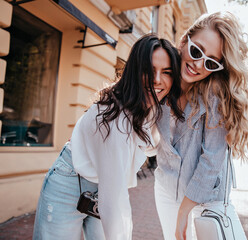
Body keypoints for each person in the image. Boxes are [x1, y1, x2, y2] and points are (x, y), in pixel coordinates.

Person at [32, 34, 182, 240]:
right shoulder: (115, 118)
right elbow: (115, 200)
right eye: (149, 70)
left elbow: (149, 147)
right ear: (135, 70)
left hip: (101, 187)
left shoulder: (149, 108)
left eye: (166, 72)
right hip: (69, 184)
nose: (157, 79)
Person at [153, 11, 248, 240]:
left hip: (204, 198)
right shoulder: (162, 83)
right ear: (184, 41)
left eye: (210, 62)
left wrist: (184, 211)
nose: (198, 64)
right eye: (196, 50)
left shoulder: (214, 97)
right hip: (166, 188)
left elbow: (212, 159)